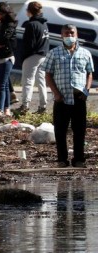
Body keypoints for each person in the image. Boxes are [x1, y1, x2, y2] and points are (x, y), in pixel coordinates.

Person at [42, 24, 94, 167]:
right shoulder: (54, 53)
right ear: (62, 35)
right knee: (60, 131)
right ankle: (62, 160)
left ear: (76, 35)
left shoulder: (85, 53)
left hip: (79, 98)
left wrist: (86, 90)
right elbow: (48, 74)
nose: (69, 36)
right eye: (66, 33)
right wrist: (56, 93)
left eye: (72, 33)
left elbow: (89, 73)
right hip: (62, 98)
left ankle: (79, 159)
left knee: (79, 131)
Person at [16, 1, 49, 114]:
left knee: (28, 81)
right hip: (43, 55)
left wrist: (24, 56)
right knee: (41, 81)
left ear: (29, 11)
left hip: (32, 55)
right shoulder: (44, 24)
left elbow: (29, 44)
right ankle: (43, 106)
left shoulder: (31, 24)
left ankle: (25, 105)